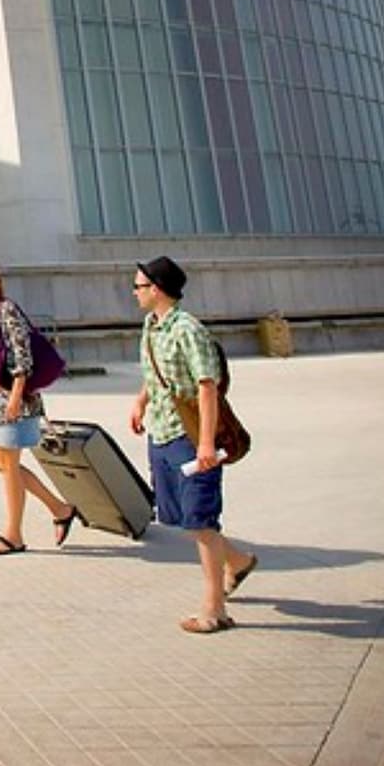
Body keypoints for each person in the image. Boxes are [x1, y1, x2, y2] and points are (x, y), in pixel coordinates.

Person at [127, 255, 257, 632]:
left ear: (157, 289)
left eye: (138, 286)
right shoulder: (150, 327)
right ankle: (238, 562)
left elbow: (207, 387)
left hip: (190, 437)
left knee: (201, 520)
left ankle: (215, 609)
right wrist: (140, 402)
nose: (133, 292)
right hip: (162, 432)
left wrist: (204, 444)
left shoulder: (188, 330)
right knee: (184, 518)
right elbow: (155, 375)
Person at [0, 260, 77, 555]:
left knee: (10, 466)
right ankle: (61, 508)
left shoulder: (7, 310)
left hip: (12, 398)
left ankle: (14, 534)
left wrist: (16, 396)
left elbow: (22, 355)